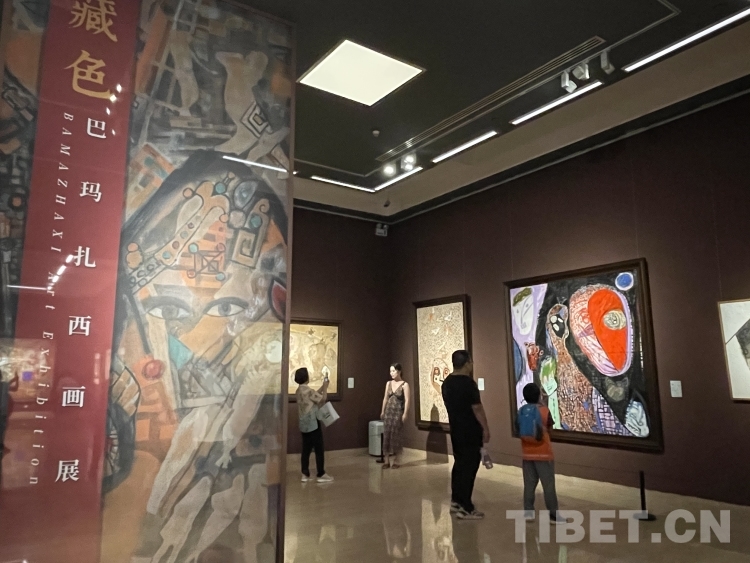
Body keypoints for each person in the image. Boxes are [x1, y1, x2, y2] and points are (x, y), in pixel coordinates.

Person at [441, 350, 490, 520]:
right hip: (470, 431)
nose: (472, 365)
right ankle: (466, 506)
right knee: (469, 467)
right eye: (471, 361)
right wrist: (485, 428)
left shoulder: (446, 383)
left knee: (459, 464)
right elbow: (477, 408)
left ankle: (456, 500)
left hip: (456, 429)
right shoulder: (468, 384)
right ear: (467, 363)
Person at [517, 382, 563, 524]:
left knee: (529, 485)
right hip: (544, 453)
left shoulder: (521, 411)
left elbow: (518, 429)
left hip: (527, 453)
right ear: (538, 395)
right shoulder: (544, 411)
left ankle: (528, 513)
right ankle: (553, 515)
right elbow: (550, 429)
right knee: (548, 486)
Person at [295, 367, 334, 483]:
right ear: (306, 377)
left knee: (305, 449)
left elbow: (314, 396)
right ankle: (321, 474)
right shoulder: (309, 391)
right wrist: (325, 388)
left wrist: (322, 386)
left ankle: (305, 474)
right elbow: (322, 399)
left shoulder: (298, 390)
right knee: (319, 448)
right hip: (313, 423)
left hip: (303, 424)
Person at [380, 363, 410, 469]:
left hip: (398, 412)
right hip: (389, 412)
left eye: (393, 371)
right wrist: (382, 411)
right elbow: (385, 398)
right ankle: (386, 460)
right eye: (390, 371)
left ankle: (397, 460)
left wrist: (405, 413)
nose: (391, 373)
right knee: (387, 434)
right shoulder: (388, 383)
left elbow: (407, 400)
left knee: (396, 435)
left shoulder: (405, 385)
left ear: (399, 371)